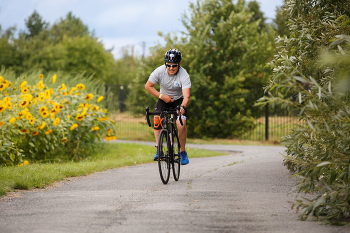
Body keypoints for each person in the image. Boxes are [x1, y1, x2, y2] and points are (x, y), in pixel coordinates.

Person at [145, 49, 191, 165]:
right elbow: (148, 86)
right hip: (163, 99)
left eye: (174, 66)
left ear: (179, 64)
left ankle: (182, 152)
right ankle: (158, 149)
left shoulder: (184, 75)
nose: (171, 68)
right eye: (168, 65)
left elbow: (186, 96)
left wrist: (182, 106)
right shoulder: (159, 71)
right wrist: (162, 96)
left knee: (181, 125)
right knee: (157, 119)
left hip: (178, 100)